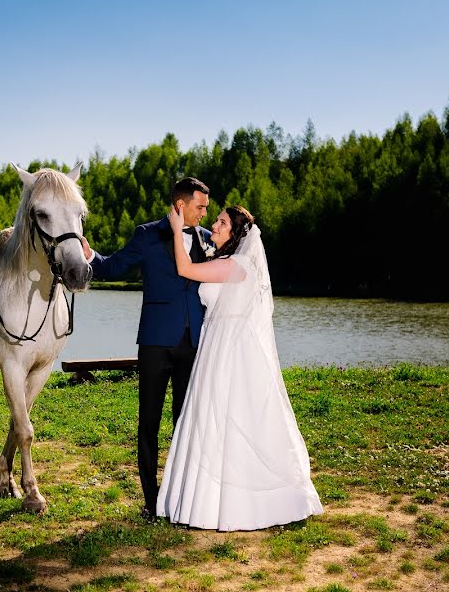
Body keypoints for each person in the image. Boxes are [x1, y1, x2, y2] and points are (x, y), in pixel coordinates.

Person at [158, 204, 323, 531]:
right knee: (214, 419)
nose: (214, 227)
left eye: (221, 223)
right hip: (218, 344)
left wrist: (178, 230)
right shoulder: (225, 262)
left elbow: (185, 269)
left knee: (233, 418)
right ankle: (205, 501)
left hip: (229, 350)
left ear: (236, 235)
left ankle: (255, 502)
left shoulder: (237, 265)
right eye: (216, 221)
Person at [81, 177, 212, 520]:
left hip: (193, 344)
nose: (204, 213)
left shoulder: (206, 239)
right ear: (181, 205)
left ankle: (183, 495)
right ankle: (151, 501)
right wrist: (90, 254)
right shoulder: (146, 235)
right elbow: (113, 267)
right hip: (155, 342)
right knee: (149, 423)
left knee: (186, 423)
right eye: (200, 207)